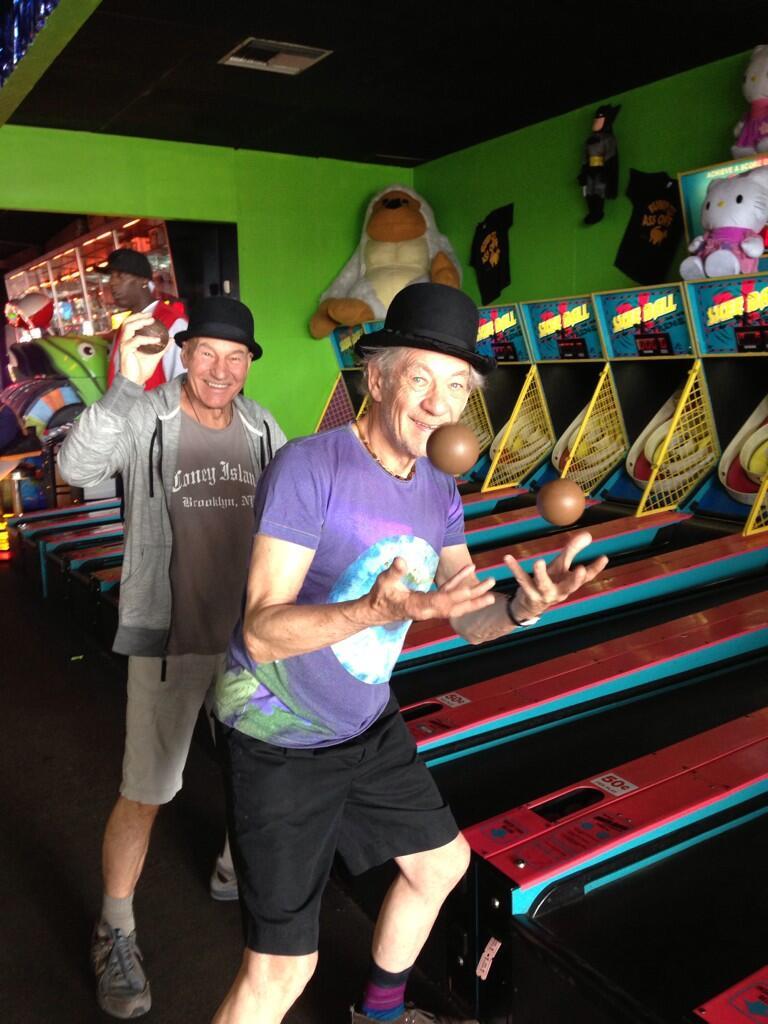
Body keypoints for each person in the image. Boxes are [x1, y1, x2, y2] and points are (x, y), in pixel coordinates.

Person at [212, 282, 608, 1024]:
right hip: (278, 735)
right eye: (420, 377)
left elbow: (469, 615)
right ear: (378, 378)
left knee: (440, 865)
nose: (437, 402)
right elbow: (261, 630)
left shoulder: (439, 489)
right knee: (281, 971)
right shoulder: (309, 466)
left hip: (365, 723)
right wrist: (373, 610)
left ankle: (381, 1014)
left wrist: (525, 606)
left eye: (456, 385)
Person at [58, 295, 287, 1019]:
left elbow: (291, 515)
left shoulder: (263, 427)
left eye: (235, 357)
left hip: (249, 638)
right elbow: (76, 466)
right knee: (147, 790)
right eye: (207, 354)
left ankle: (231, 867)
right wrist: (124, 384)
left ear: (248, 364)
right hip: (169, 638)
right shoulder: (145, 415)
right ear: (184, 355)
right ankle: (115, 928)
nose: (220, 370)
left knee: (259, 767)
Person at [102, 248, 188, 388]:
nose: (112, 282)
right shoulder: (126, 326)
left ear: (143, 279)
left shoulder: (172, 323)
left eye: (120, 276)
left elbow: (183, 386)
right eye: (111, 276)